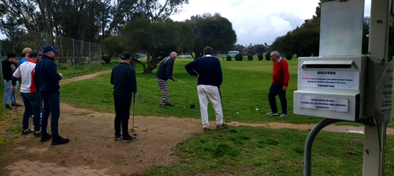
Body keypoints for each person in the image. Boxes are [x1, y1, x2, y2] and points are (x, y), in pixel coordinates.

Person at [185, 46, 227, 131]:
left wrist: (195, 74)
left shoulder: (199, 60)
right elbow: (219, 74)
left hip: (201, 85)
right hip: (212, 85)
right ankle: (219, 123)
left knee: (203, 106)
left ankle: (205, 126)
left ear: (204, 54)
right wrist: (219, 84)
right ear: (212, 53)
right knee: (217, 104)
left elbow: (187, 66)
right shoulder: (215, 61)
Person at [33, 44, 69, 145]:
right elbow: (53, 77)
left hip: (43, 91)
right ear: (48, 53)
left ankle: (44, 134)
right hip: (52, 91)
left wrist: (39, 88)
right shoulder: (50, 63)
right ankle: (55, 137)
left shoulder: (39, 63)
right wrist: (60, 76)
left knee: (45, 112)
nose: (54, 53)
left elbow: (35, 78)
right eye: (53, 52)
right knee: (55, 114)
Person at [110, 52, 138, 142]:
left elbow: (112, 81)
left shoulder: (115, 68)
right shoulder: (131, 70)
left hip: (116, 94)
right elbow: (133, 84)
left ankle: (117, 134)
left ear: (120, 59)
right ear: (129, 60)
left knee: (118, 114)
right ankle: (125, 135)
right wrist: (135, 90)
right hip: (126, 95)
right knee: (125, 115)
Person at [12, 51, 41, 135]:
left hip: (23, 91)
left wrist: (13, 85)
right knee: (36, 111)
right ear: (35, 58)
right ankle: (37, 129)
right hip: (33, 91)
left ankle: (25, 128)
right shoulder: (35, 66)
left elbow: (14, 76)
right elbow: (37, 80)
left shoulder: (22, 65)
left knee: (27, 109)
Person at [266, 51, 290, 118]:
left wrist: (285, 85)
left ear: (275, 57)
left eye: (271, 56)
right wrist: (273, 79)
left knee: (282, 97)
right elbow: (275, 71)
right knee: (270, 95)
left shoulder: (283, 62)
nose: (270, 58)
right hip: (275, 83)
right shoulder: (274, 62)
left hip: (281, 83)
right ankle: (274, 111)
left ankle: (284, 113)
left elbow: (286, 75)